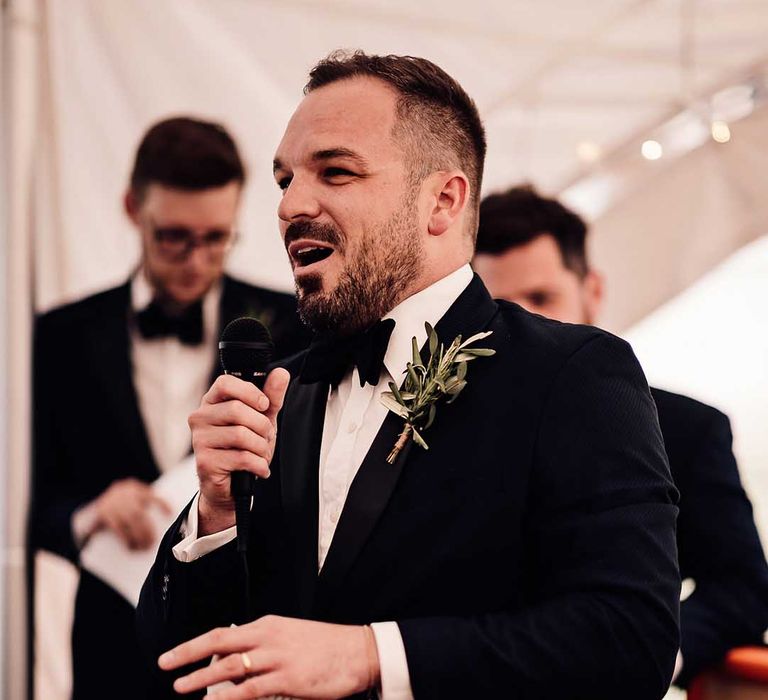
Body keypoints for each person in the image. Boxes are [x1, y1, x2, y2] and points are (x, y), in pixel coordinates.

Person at [137, 53, 680, 699]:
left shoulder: (571, 375)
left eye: (335, 172)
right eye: (285, 181)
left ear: (443, 201)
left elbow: (629, 641)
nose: (291, 206)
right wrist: (218, 515)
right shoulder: (282, 391)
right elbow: (174, 658)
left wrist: (373, 656)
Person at [30, 116, 310, 699]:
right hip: (112, 638)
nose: (195, 259)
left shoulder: (292, 323)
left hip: (246, 632)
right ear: (134, 209)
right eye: (174, 237)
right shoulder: (58, 336)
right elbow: (26, 502)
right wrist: (90, 515)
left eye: (216, 238)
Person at [473, 184, 768, 687]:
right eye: (502, 307)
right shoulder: (434, 427)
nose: (525, 323)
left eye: (542, 297)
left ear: (593, 292)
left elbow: (742, 587)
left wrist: (651, 652)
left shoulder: (688, 430)